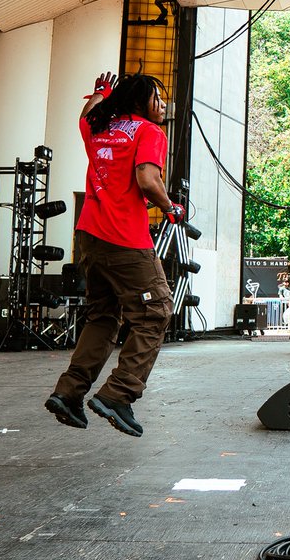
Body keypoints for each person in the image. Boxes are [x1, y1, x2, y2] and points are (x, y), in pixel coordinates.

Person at [45, 71, 181, 438]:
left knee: (103, 317)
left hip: (90, 236)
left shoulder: (102, 126)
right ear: (141, 102)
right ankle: (119, 394)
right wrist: (171, 208)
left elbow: (86, 115)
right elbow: (147, 180)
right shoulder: (149, 132)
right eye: (157, 98)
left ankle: (68, 393)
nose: (163, 104)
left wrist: (100, 91)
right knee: (156, 312)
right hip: (125, 238)